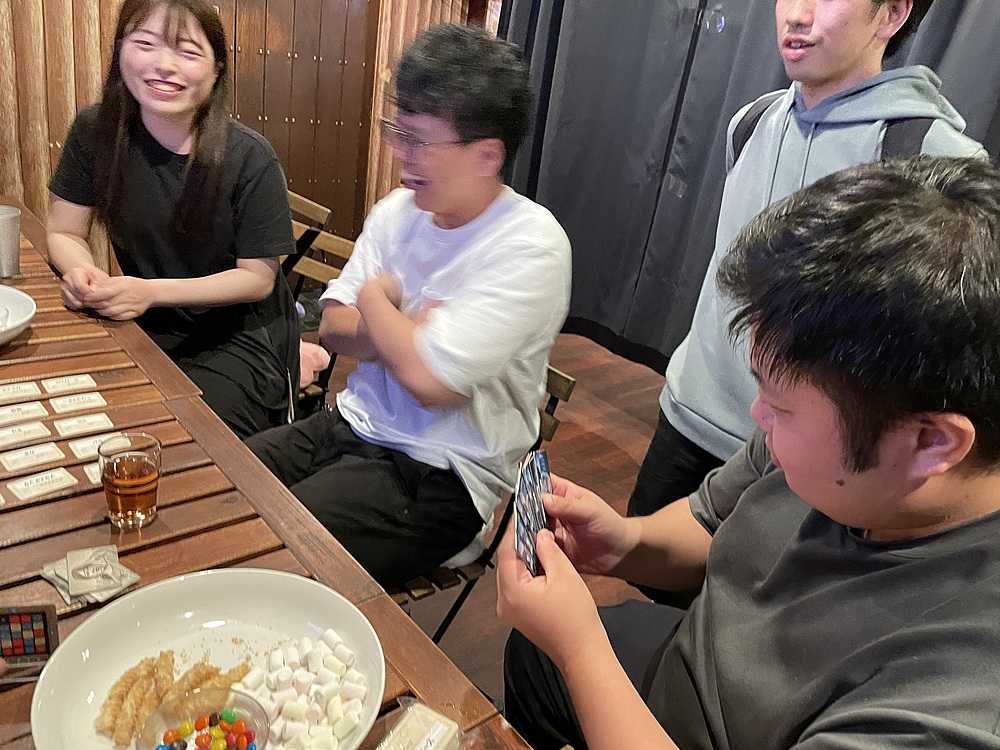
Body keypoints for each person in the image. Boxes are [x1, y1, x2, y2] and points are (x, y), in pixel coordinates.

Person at [499, 156, 1000, 750]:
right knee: (533, 655)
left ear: (931, 442)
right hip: (688, 666)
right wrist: (623, 545)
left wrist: (580, 649)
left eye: (781, 407)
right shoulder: (820, 445)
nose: (759, 417)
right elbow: (711, 523)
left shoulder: (958, 692)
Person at [629, 0, 989, 532]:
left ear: (891, 15)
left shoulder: (930, 154)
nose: (797, 14)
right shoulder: (752, 122)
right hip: (688, 415)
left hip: (807, 464)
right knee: (641, 556)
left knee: (742, 587)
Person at [246, 25, 572, 588]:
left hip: (443, 473)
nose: (400, 155)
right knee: (222, 485)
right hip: (350, 424)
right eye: (397, 132)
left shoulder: (530, 244)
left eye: (419, 140)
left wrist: (375, 299)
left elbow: (429, 382)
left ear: (487, 155)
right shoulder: (397, 212)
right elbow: (332, 328)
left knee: (270, 556)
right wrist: (406, 333)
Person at [47, 0, 300, 440]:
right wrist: (84, 275)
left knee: (177, 439)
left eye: (187, 50)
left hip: (239, 339)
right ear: (120, 50)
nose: (164, 65)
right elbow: (65, 230)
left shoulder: (249, 156)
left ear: (216, 69)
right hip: (144, 323)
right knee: (85, 417)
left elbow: (258, 279)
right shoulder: (95, 132)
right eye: (145, 43)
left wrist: (149, 292)